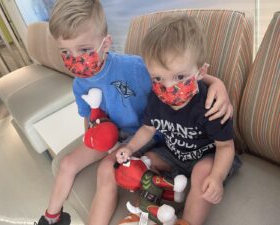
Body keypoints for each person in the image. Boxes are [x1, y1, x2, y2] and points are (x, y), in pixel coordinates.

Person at [36, 1, 234, 225]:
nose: (76, 59)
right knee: (88, 165)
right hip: (144, 142)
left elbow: (175, 71)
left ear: (106, 42)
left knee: (111, 169)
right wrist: (109, 143)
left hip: (174, 145)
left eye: (83, 50)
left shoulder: (136, 68)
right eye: (66, 52)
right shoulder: (85, 85)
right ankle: (53, 217)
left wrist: (217, 83)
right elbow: (95, 118)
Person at [116, 15, 241, 225]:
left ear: (201, 72)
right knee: (144, 160)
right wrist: (129, 150)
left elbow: (226, 147)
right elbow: (147, 129)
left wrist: (217, 177)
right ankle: (145, 214)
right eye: (158, 78)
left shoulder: (210, 105)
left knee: (203, 172)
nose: (168, 87)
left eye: (180, 77)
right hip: (173, 154)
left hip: (207, 157)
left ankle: (188, 221)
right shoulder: (156, 99)